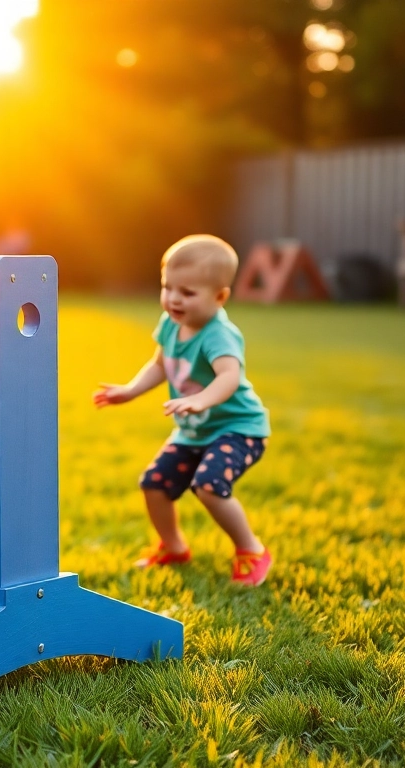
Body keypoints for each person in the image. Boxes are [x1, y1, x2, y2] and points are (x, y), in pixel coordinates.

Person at [93, 234, 273, 586]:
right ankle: (173, 547)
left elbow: (229, 377)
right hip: (194, 431)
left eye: (187, 293)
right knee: (154, 484)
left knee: (208, 486)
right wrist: (130, 390)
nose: (174, 299)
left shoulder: (218, 335)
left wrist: (200, 400)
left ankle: (251, 550)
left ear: (220, 297)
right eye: (168, 288)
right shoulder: (171, 324)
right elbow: (160, 365)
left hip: (238, 429)